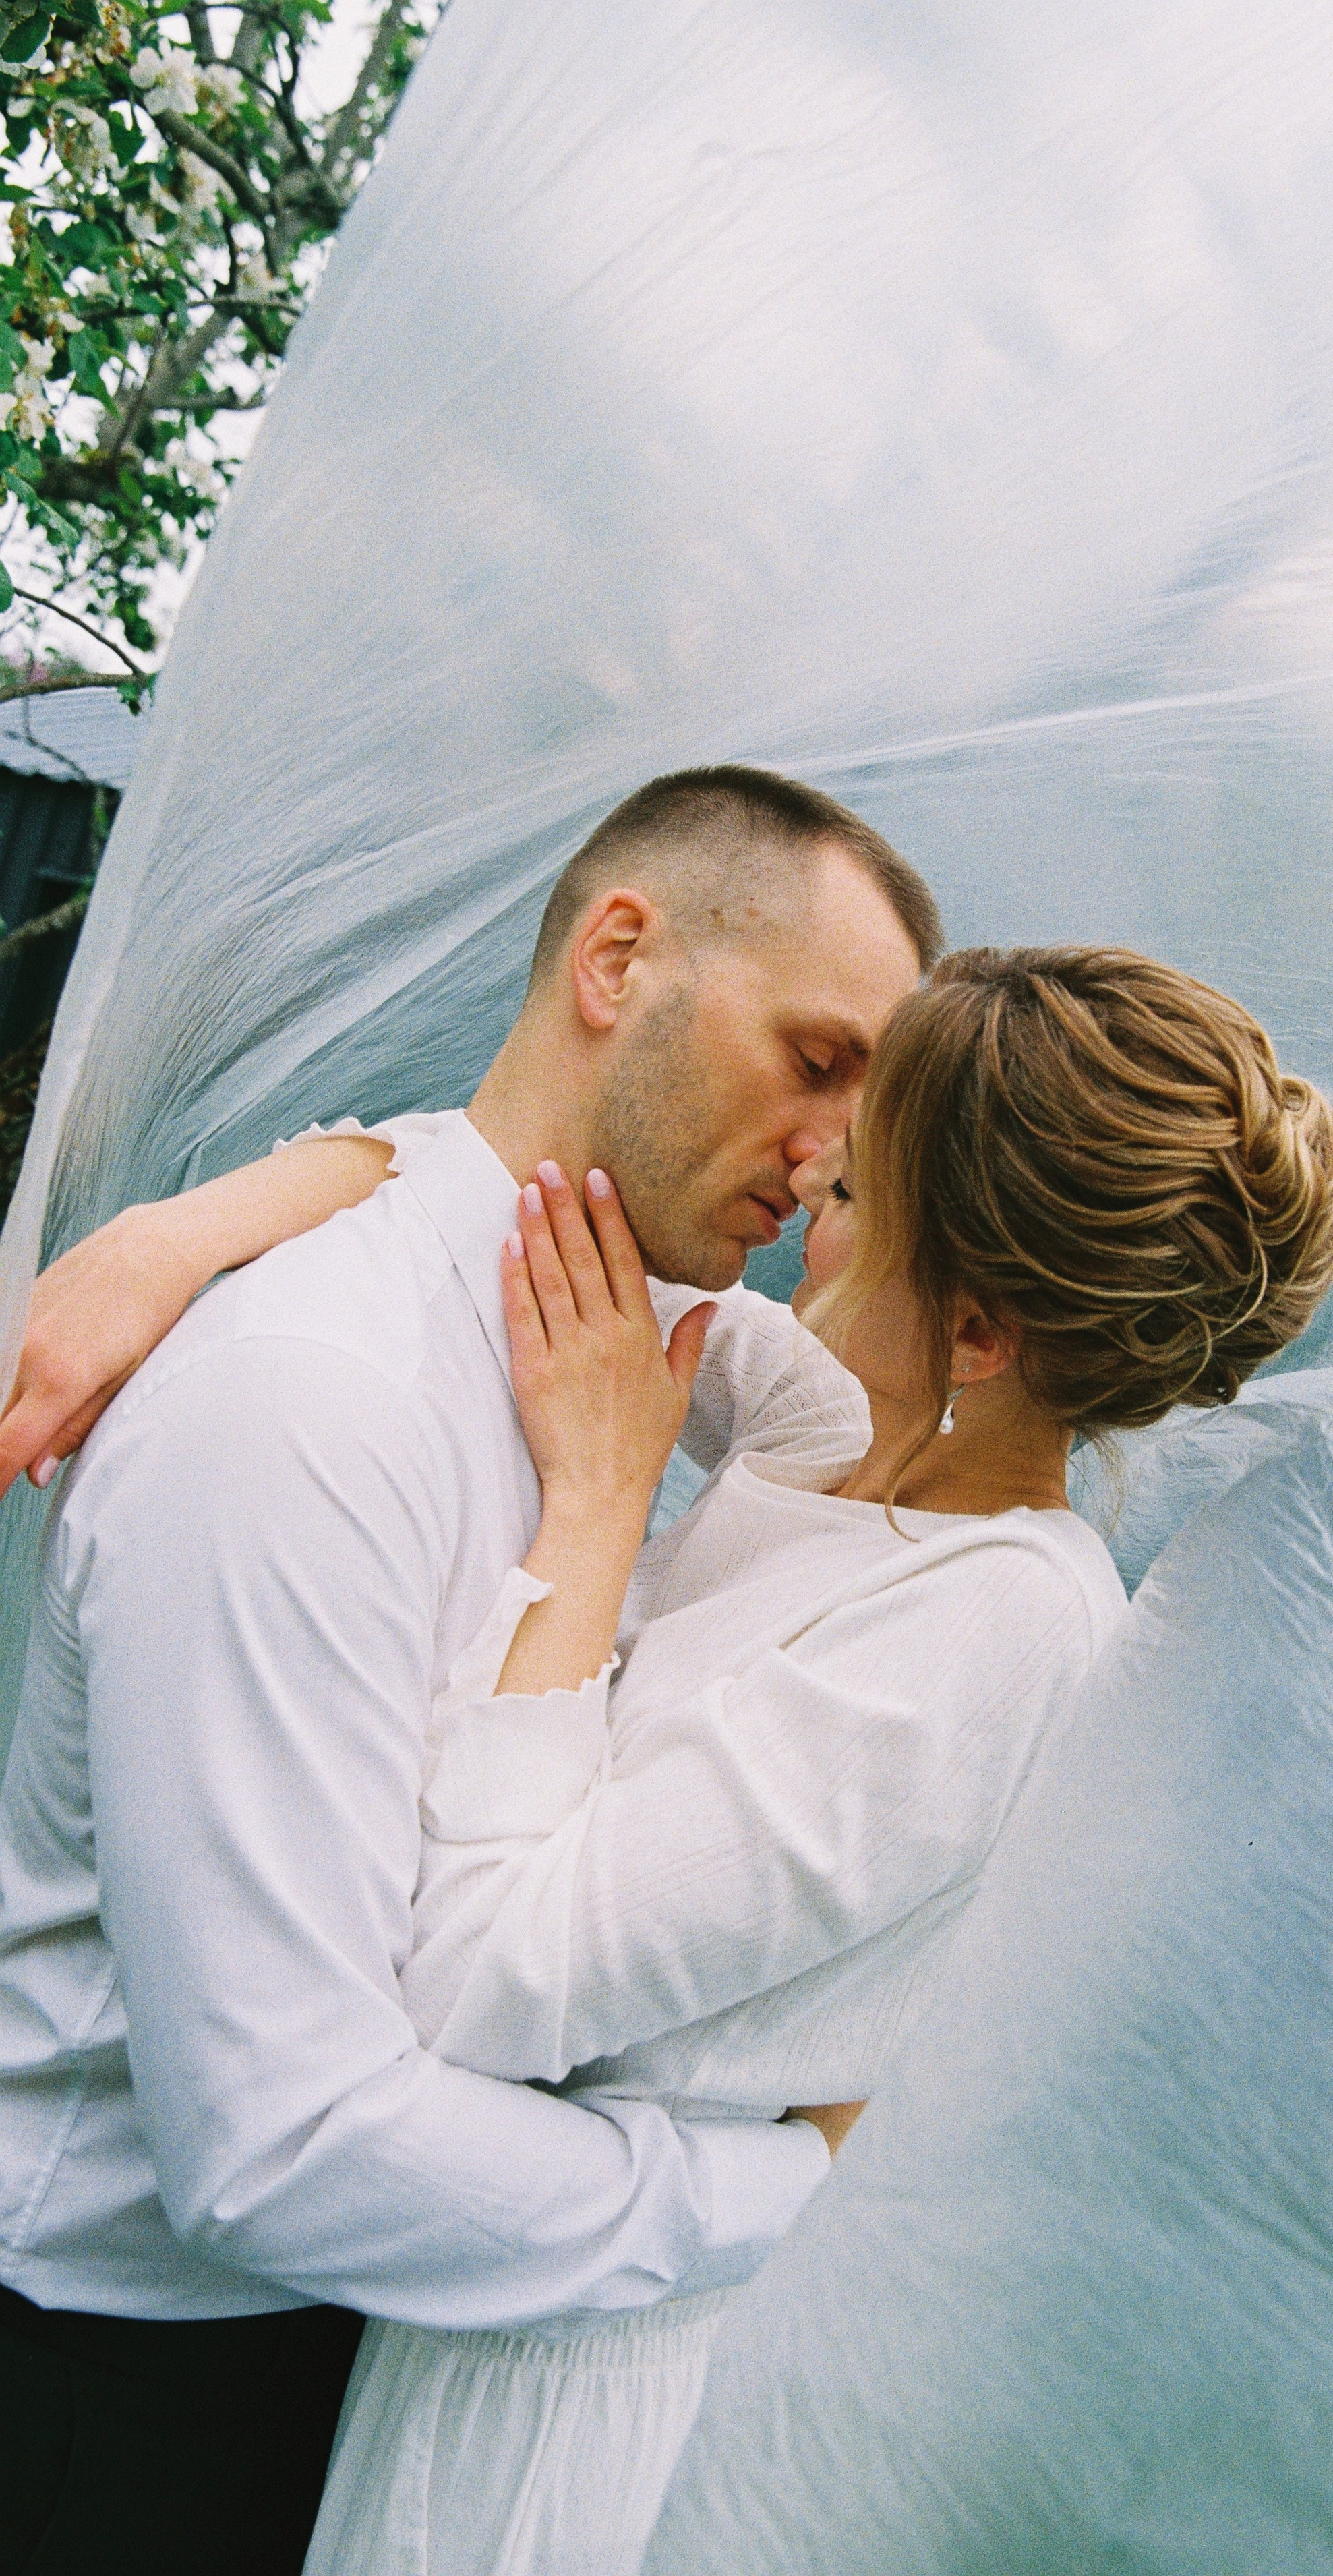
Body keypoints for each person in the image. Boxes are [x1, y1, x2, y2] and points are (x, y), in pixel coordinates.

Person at [3, 928, 1333, 2572]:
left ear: (982, 1333)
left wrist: (596, 1505)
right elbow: (526, 1217)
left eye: (851, 1196)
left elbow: (473, 1980)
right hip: (472, 2307)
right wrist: (188, 1229)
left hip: (566, 2436)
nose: (798, 1205)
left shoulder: (1000, 1630)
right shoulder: (829, 1439)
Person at [0, 766, 940, 2576]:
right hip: (116, 2402)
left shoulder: (614, 1315)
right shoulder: (311, 1403)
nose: (837, 1150)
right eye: (818, 1058)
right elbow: (276, 2140)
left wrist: (291, 1173)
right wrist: (788, 2181)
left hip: (358, 2348)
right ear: (616, 960)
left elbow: (925, 1416)